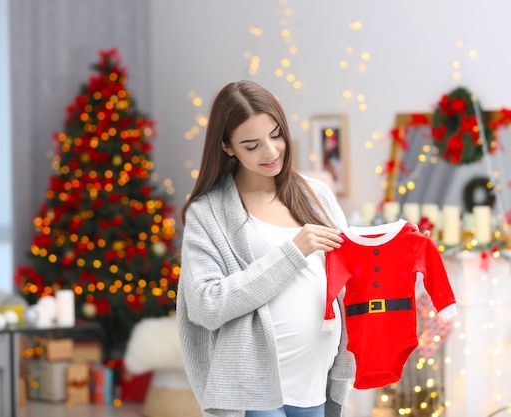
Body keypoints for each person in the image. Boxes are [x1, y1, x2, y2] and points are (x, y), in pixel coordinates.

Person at [177, 80, 425, 417]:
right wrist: (292, 254)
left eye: (275, 134)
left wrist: (400, 249)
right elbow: (206, 305)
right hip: (254, 390)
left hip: (316, 380)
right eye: (251, 145)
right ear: (227, 147)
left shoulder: (316, 194)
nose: (271, 152)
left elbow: (352, 273)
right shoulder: (208, 213)